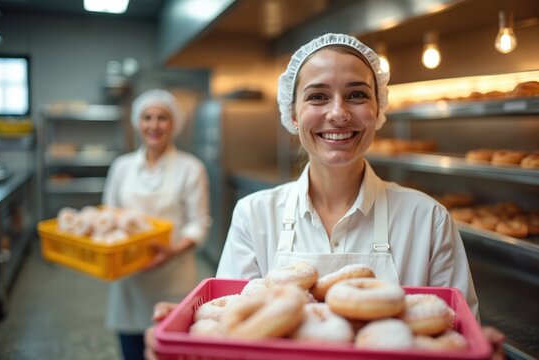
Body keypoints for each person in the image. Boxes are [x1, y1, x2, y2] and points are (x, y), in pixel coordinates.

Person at [144, 34, 505, 359]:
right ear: (293, 115)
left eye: (357, 94)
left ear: (378, 110)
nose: (338, 113)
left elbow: (456, 337)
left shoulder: (427, 219)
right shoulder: (254, 214)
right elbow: (228, 337)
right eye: (317, 96)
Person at [102, 88, 211, 360]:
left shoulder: (191, 168)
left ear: (174, 124)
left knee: (168, 351)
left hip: (172, 279)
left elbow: (199, 224)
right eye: (146, 117)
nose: (153, 125)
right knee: (131, 352)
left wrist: (172, 251)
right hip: (129, 279)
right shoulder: (121, 167)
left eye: (162, 118)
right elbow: (109, 217)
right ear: (137, 123)